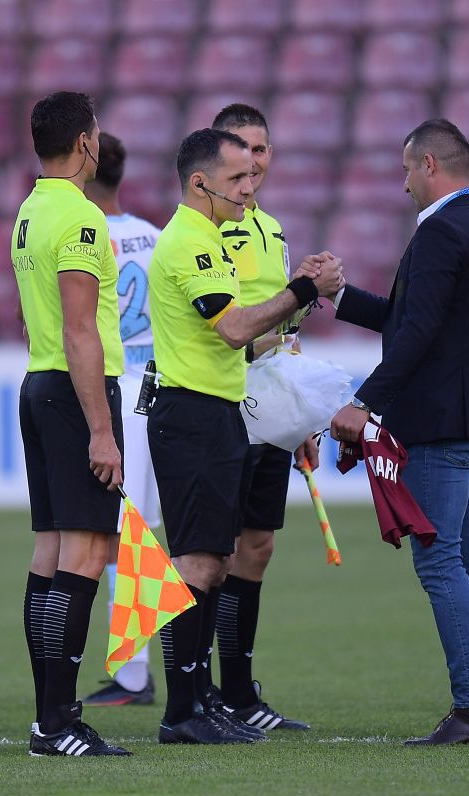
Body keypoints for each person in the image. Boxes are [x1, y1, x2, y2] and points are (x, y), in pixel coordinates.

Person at [147, 128, 342, 744]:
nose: (248, 187)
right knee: (196, 563)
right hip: (192, 415)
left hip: (220, 409)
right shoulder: (189, 242)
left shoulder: (209, 237)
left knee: (217, 559)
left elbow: (245, 341)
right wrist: (303, 289)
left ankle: (201, 702)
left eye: (252, 175)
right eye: (236, 178)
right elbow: (233, 329)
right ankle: (183, 710)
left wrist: (293, 367)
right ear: (201, 182)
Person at [328, 119, 469, 746]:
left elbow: (418, 335)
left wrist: (364, 403)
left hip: (437, 423)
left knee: (441, 562)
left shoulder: (437, 234)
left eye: (407, 170)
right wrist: (340, 295)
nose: (403, 185)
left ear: (430, 164)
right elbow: (418, 323)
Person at [12, 91, 129, 757]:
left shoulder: (30, 212)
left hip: (39, 381)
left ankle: (47, 718)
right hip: (73, 388)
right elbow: (82, 333)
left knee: (52, 553)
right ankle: (58, 721)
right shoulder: (82, 221)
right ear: (86, 144)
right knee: (84, 555)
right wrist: (102, 430)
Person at [209, 103, 314, 731]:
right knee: (208, 552)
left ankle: (239, 693)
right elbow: (235, 329)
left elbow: (283, 327)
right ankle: (204, 694)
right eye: (244, 149)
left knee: (258, 544)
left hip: (268, 405)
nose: (255, 160)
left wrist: (297, 412)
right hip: (219, 402)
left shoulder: (271, 230)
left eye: (263, 149)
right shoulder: (206, 230)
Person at [80, 132, 161, 707]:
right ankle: (142, 669)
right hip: (156, 391)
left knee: (118, 537)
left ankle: (135, 674)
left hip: (110, 393)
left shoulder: (80, 239)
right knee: (141, 533)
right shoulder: (158, 238)